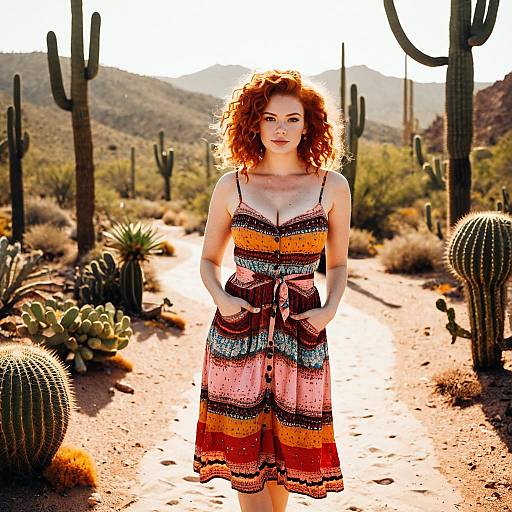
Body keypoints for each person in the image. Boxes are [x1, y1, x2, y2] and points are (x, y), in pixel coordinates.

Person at [193, 69, 351, 512]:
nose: (281, 129)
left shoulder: (331, 186)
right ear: (253, 123)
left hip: (302, 328)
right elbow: (208, 260)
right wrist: (223, 300)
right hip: (238, 329)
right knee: (244, 448)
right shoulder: (232, 185)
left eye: (292, 119)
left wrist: (329, 311)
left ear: (309, 125)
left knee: (284, 451)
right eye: (269, 118)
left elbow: (337, 264)